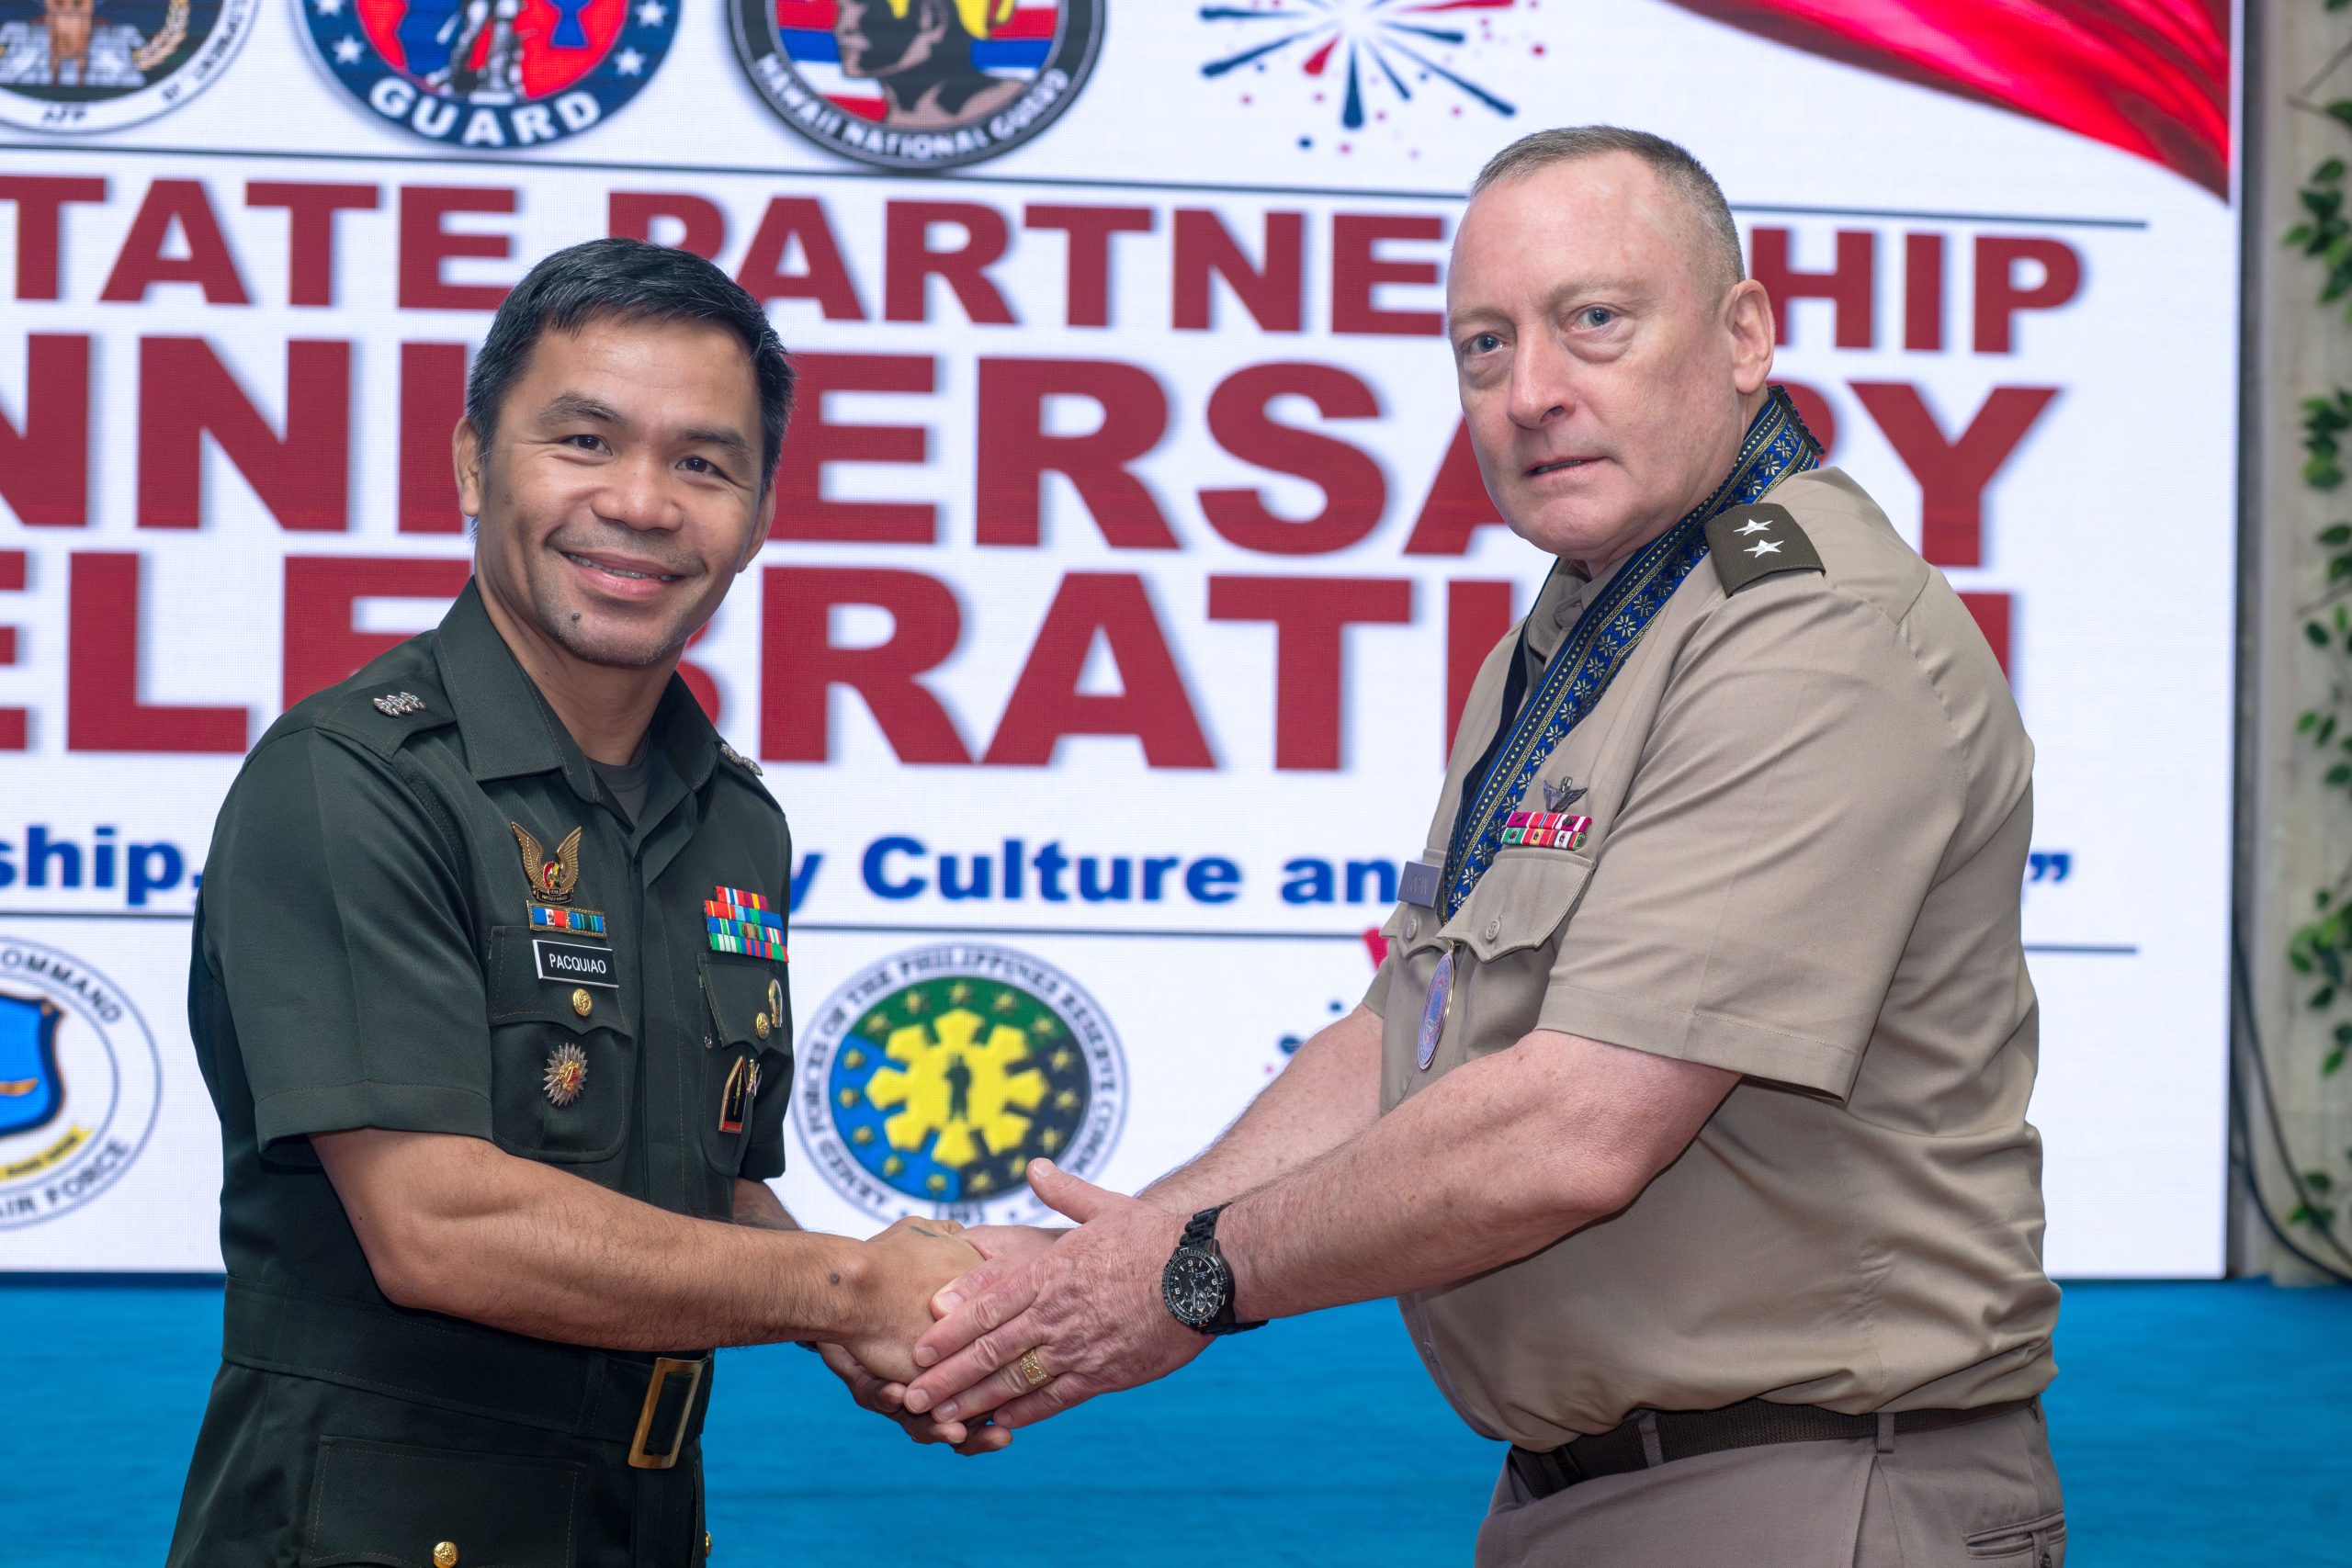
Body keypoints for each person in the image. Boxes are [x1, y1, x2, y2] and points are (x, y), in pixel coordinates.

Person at [899, 128, 2067, 1567]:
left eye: (1595, 320)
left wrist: (1191, 1273)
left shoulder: (1809, 632)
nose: (1532, 393)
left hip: (1805, 1495)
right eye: (1482, 343)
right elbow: (1416, 1021)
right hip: (1601, 1487)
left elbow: (1579, 1128)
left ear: (1746, 332)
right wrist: (1126, 1248)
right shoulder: (1587, 622)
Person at [166, 238, 998, 1568]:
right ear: (473, 464)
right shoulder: (352, 782)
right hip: (369, 1535)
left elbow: (690, 1189)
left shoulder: (733, 817)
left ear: (762, 514)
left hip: (643, 1521)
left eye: (703, 463)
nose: (644, 503)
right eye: (586, 440)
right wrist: (845, 1284)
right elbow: (437, 1222)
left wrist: (881, 1325)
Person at [831, 0, 1025, 129]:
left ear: (933, 18)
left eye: (868, 4)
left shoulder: (1009, 101)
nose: (840, 28)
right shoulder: (892, 121)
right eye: (842, 8)